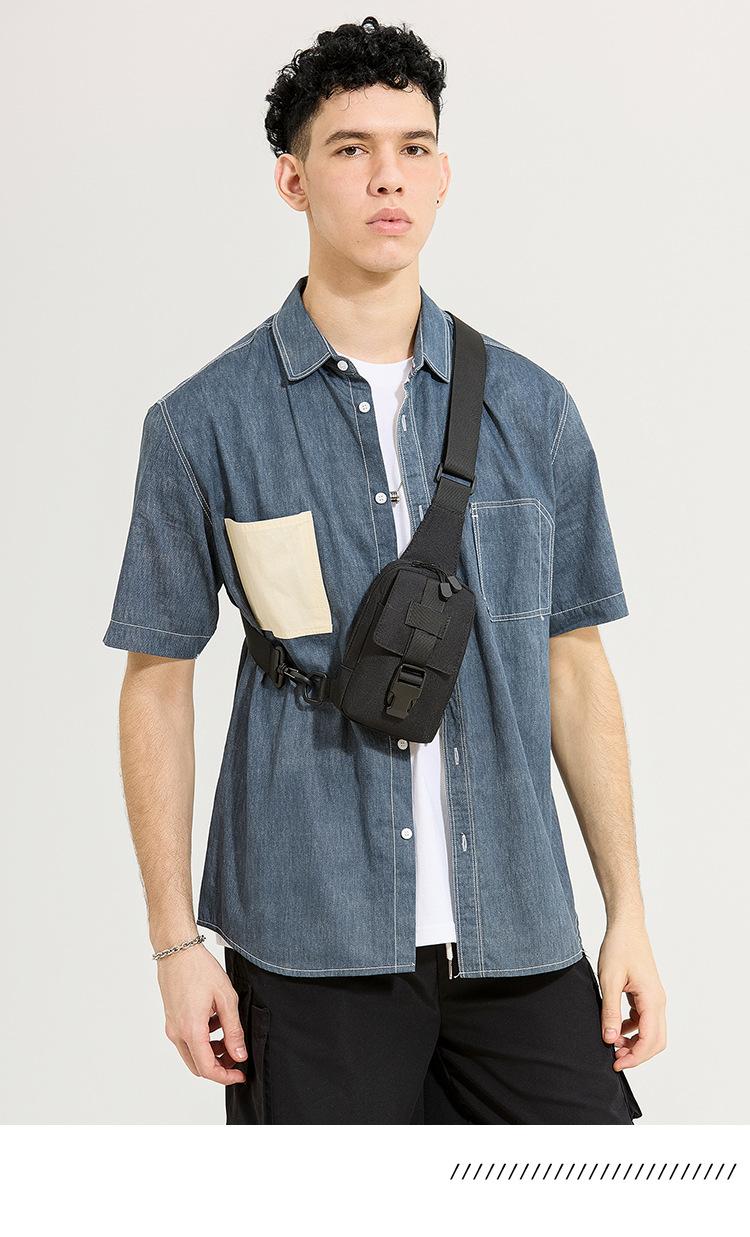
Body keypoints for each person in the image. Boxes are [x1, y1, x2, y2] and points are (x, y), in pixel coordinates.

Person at [103, 15, 666, 1124]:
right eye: (351, 148)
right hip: (308, 945)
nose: (387, 176)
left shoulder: (535, 411)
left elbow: (574, 666)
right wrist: (175, 943)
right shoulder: (202, 424)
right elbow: (156, 681)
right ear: (293, 179)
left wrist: (629, 912)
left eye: (413, 147)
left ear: (444, 175)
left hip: (519, 933)